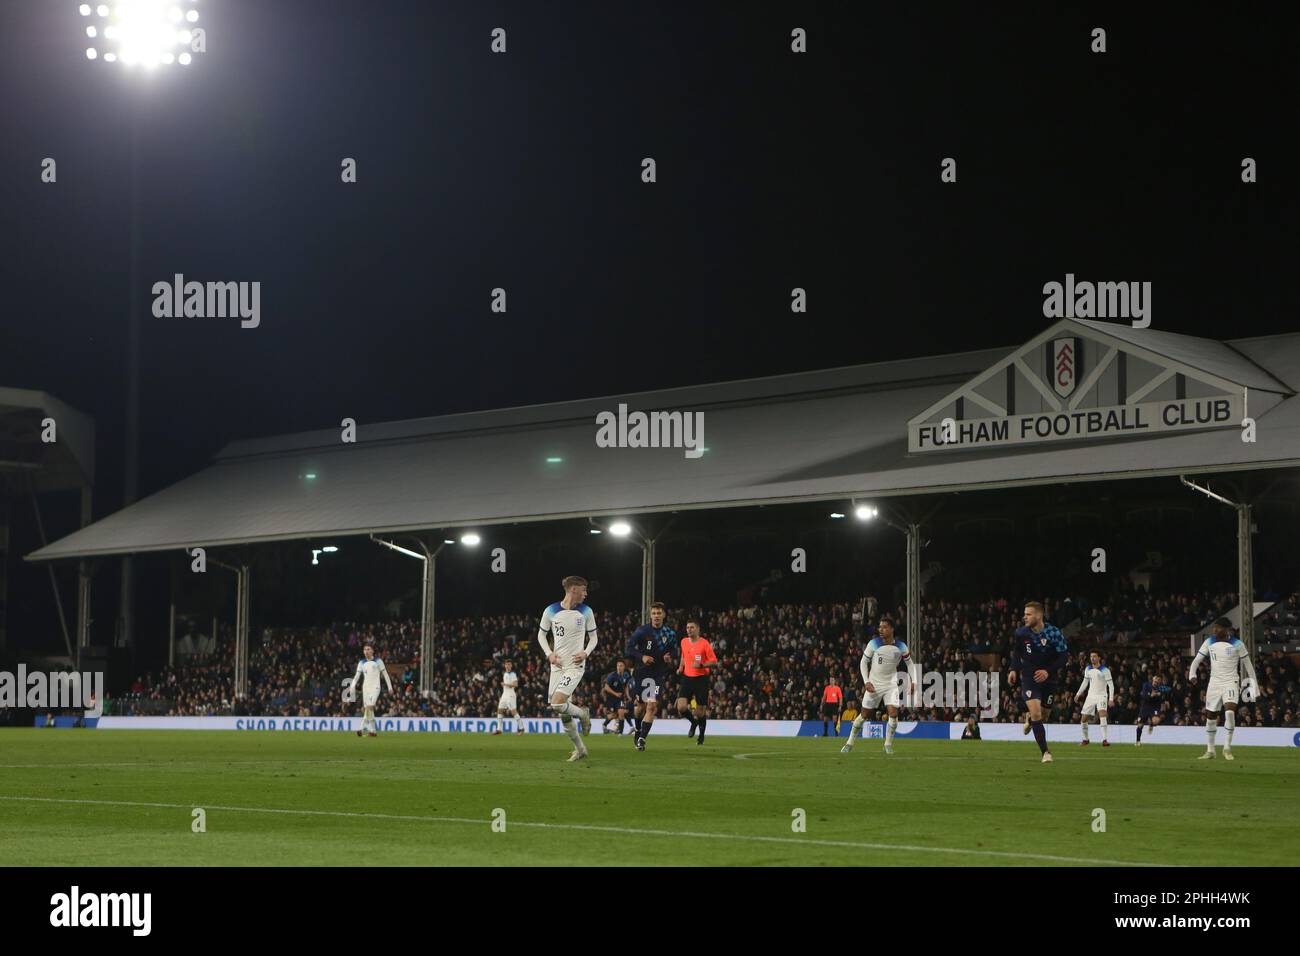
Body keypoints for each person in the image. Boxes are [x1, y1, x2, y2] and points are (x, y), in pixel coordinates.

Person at [537, 576, 597, 762]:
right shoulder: (551, 610)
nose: (586, 594)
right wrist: (549, 654)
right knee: (562, 713)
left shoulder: (586, 611)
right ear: (573, 590)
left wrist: (585, 652)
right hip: (557, 666)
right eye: (583, 590)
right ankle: (580, 750)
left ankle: (582, 714)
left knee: (556, 703)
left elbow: (594, 638)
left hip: (575, 665)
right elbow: (541, 635)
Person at [842, 616, 916, 754]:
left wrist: (914, 681)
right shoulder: (873, 644)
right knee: (863, 715)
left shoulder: (901, 646)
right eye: (880, 627)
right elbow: (863, 663)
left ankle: (887, 745)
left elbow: (910, 664)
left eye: (884, 627)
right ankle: (849, 743)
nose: (881, 630)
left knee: (893, 714)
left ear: (891, 629)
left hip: (891, 685)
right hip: (874, 684)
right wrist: (867, 682)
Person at [1190, 617, 1260, 761]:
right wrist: (1192, 674)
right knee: (1210, 718)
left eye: (1217, 628)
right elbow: (1196, 660)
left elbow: (1248, 665)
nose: (1214, 630)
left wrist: (1254, 685)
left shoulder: (1238, 644)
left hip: (1231, 682)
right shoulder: (1209, 642)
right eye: (1214, 627)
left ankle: (1227, 748)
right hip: (1214, 683)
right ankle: (1210, 751)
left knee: (1229, 712)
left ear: (1226, 629)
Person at [1007, 601, 1067, 763]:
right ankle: (1045, 752)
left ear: (1039, 615)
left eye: (1028, 614)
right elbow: (1017, 652)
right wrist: (1013, 669)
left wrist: (1048, 671)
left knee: (1044, 715)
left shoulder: (1054, 633)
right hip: (1029, 678)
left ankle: (1030, 719)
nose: (1024, 617)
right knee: (1036, 714)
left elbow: (1063, 657)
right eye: (1024, 614)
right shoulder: (1021, 633)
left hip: (1049, 679)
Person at [625, 601, 676, 751]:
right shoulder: (642, 631)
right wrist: (642, 657)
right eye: (654, 613)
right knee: (640, 707)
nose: (656, 616)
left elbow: (675, 650)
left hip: (658, 674)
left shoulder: (670, 633)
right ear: (650, 615)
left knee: (652, 706)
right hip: (642, 673)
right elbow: (629, 648)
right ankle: (638, 730)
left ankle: (642, 739)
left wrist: (670, 655)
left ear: (664, 615)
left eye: (659, 613)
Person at [676, 618, 719, 744]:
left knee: (699, 712)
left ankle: (701, 736)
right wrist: (681, 666)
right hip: (687, 678)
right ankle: (693, 723)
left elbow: (714, 662)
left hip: (701, 679)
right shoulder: (684, 641)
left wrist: (701, 665)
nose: (689, 630)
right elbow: (683, 655)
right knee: (681, 707)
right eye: (688, 627)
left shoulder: (704, 644)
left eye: (692, 627)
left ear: (698, 629)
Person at [350, 643, 393, 737]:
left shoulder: (378, 661)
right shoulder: (361, 662)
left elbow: (385, 674)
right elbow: (357, 676)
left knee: (370, 706)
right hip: (365, 688)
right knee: (369, 709)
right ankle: (373, 731)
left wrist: (390, 687)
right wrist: (352, 686)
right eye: (365, 649)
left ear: (372, 651)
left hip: (376, 687)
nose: (366, 651)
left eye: (368, 649)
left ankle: (361, 728)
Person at [1075, 651, 1114, 747]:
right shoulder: (1088, 669)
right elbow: (1085, 682)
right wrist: (1078, 694)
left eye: (1094, 656)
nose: (1092, 658)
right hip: (1091, 696)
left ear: (1099, 658)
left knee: (1102, 714)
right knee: (1083, 719)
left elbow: (1111, 685)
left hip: (1102, 696)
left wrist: (1111, 699)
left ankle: (1105, 740)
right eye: (1091, 656)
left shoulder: (1105, 670)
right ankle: (1085, 739)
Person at [492, 658, 526, 735]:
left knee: (513, 712)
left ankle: (521, 729)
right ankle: (499, 729)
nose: (507, 666)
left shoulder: (513, 674)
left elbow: (515, 684)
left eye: (509, 664)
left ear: (511, 666)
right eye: (506, 664)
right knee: (500, 710)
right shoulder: (505, 674)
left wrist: (505, 684)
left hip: (511, 694)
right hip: (504, 694)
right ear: (504, 665)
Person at [601, 659, 633, 734]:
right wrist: (615, 693)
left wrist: (628, 696)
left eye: (621, 666)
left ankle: (620, 733)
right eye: (618, 666)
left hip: (620, 698)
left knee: (621, 713)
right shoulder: (612, 676)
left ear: (624, 667)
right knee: (613, 715)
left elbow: (626, 687)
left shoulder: (626, 675)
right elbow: (606, 687)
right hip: (611, 698)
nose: (619, 667)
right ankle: (604, 724)